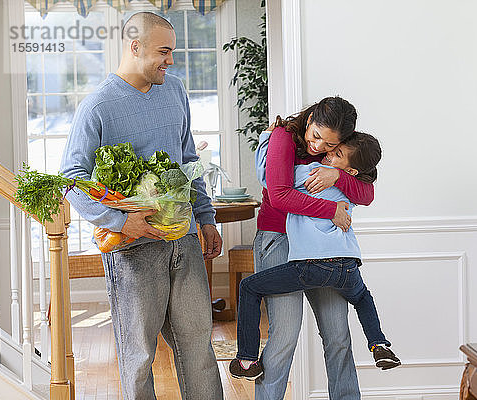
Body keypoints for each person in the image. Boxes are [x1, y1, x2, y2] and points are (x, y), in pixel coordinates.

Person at [59, 12, 223, 400]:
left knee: (199, 346)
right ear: (135, 47)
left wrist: (206, 217)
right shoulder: (97, 106)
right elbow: (71, 178)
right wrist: (119, 221)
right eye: (163, 52)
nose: (171, 61)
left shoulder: (175, 90)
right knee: (139, 356)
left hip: (182, 240)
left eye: (173, 52)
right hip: (132, 252)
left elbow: (187, 160)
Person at [229, 132, 400, 380]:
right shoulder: (352, 186)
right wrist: (340, 175)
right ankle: (379, 345)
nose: (328, 152)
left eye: (337, 152)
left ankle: (246, 360)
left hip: (312, 265)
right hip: (348, 267)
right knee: (362, 297)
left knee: (249, 287)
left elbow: (268, 178)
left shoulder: (314, 173)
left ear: (350, 170)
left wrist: (267, 139)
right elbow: (367, 194)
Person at [252, 97, 374, 400]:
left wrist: (339, 174)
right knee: (284, 335)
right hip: (279, 239)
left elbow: (367, 192)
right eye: (316, 136)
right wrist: (331, 210)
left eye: (330, 145)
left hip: (323, 247)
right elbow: (279, 195)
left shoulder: (338, 154)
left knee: (338, 335)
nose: (319, 147)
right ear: (309, 121)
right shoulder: (283, 137)